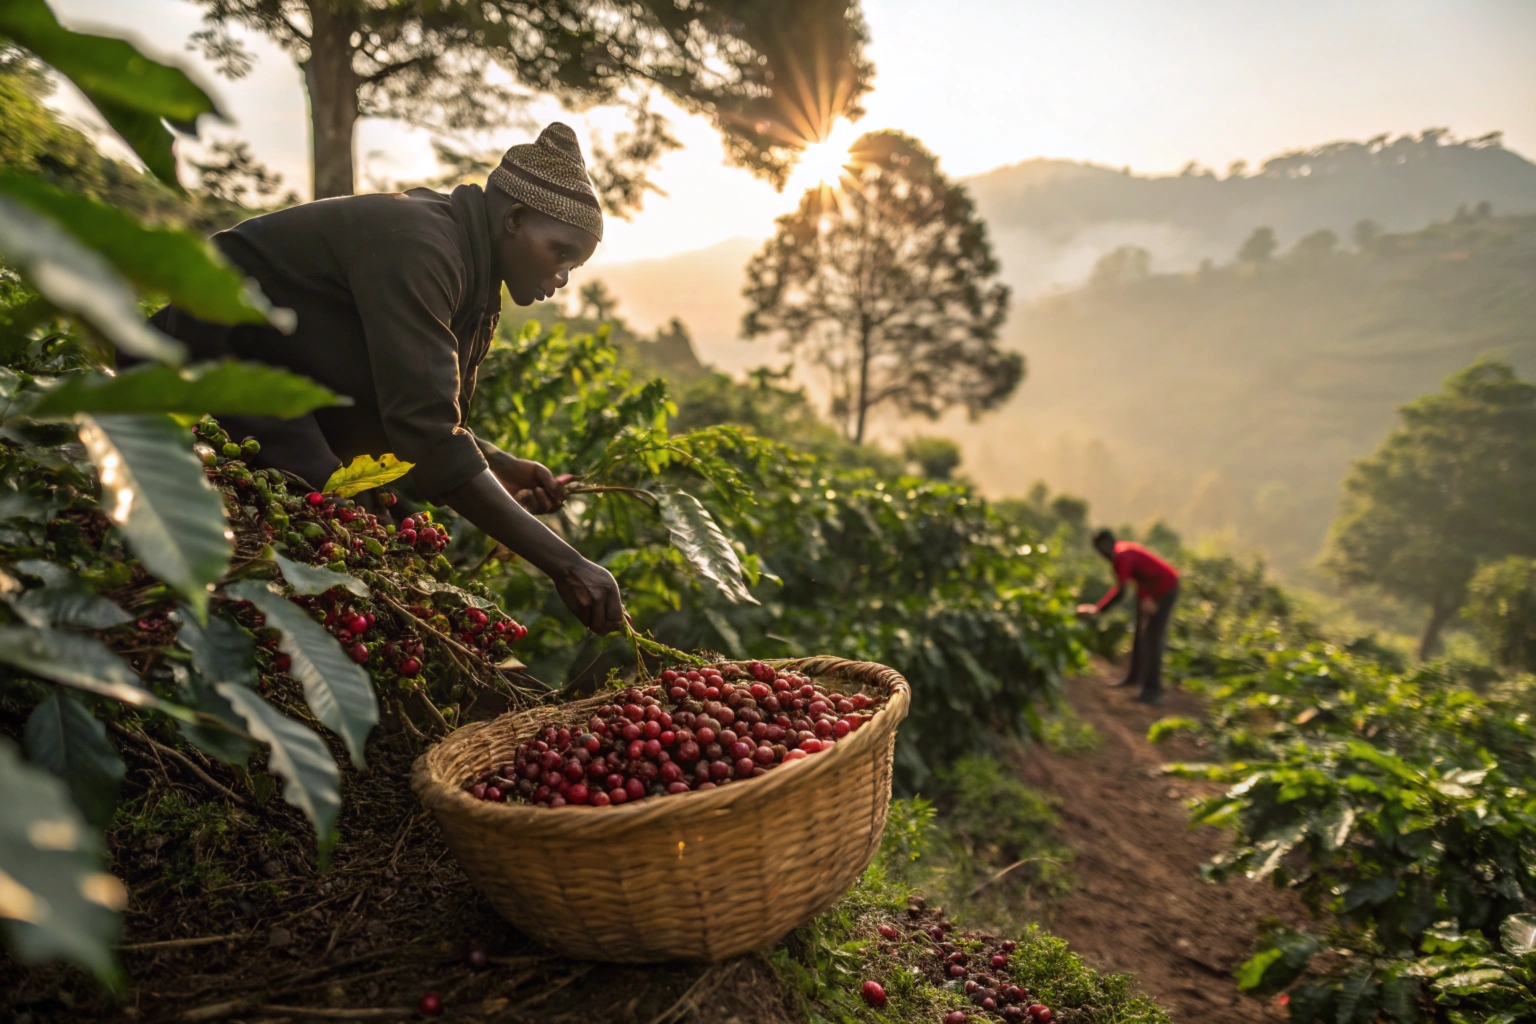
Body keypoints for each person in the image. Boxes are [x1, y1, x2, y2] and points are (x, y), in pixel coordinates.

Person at [144, 123, 625, 636]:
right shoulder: (423, 244)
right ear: (513, 218)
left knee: (376, 545)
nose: (564, 277)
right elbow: (426, 434)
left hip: (289, 393)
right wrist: (567, 564)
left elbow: (407, 401)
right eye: (561, 254)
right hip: (210, 362)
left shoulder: (472, 282)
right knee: (345, 545)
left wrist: (502, 466)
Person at [1075, 529, 1180, 704]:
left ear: (1103, 546)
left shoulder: (1121, 556)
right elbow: (1139, 578)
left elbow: (1121, 591)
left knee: (1153, 637)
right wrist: (1145, 598)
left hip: (1165, 589)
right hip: (1148, 589)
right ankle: (1134, 678)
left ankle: (1153, 690)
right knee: (1140, 634)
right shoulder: (1122, 549)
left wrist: (1096, 610)